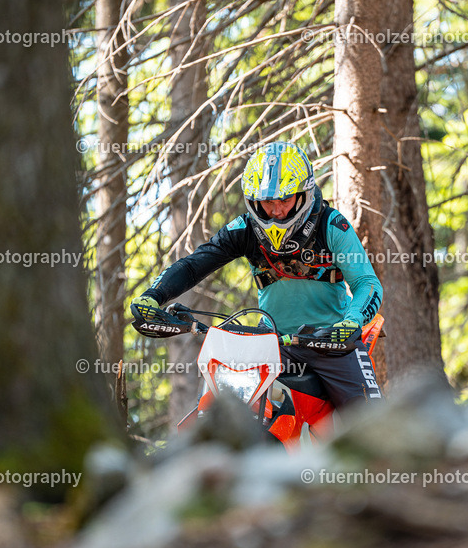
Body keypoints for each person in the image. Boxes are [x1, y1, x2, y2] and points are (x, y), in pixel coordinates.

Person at [131, 141, 383, 409]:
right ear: (254, 200)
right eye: (267, 202)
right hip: (271, 342)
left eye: (285, 200)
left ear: (303, 195)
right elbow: (194, 265)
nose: (276, 210)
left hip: (332, 342)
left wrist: (352, 322)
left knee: (371, 423)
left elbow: (366, 282)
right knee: (220, 405)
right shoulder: (244, 229)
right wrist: (153, 295)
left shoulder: (332, 225)